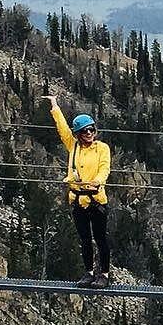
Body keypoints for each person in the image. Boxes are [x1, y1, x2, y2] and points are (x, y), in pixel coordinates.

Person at [45, 95, 112, 288]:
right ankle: (89, 273)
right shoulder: (72, 146)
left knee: (100, 238)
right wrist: (55, 106)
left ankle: (104, 274)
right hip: (77, 199)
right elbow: (62, 129)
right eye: (85, 131)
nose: (90, 133)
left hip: (96, 199)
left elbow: (104, 168)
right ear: (79, 133)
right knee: (84, 239)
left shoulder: (102, 148)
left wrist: (97, 182)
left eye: (91, 129)